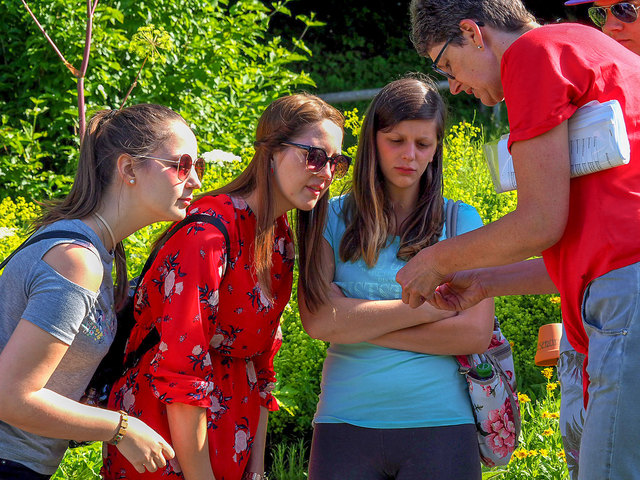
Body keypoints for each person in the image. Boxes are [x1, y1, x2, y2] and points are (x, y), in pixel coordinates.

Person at [402, 1, 640, 479]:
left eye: (446, 64)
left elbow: (538, 223)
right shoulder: (586, 45)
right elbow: (594, 258)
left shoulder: (533, 53)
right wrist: (486, 282)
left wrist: (435, 259)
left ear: (473, 32)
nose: (454, 85)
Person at [102, 93, 350, 480]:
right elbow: (181, 375)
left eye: (337, 162)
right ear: (270, 153)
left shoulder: (280, 237)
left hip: (232, 435)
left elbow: (261, 365)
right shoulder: (207, 235)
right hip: (166, 444)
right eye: (315, 156)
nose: (326, 172)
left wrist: (257, 467)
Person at [298, 76, 495, 480]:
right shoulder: (329, 216)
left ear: (436, 149)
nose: (409, 155)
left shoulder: (462, 220)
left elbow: (474, 334)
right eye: (396, 140)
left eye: (423, 144)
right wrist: (434, 310)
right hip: (343, 423)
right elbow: (317, 320)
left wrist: (352, 323)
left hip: (442, 426)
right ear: (372, 140)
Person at [0, 103, 206, 478]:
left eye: (198, 166)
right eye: (182, 164)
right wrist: (121, 428)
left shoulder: (100, 254)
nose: (195, 181)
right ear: (128, 168)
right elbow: (11, 397)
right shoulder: (76, 261)